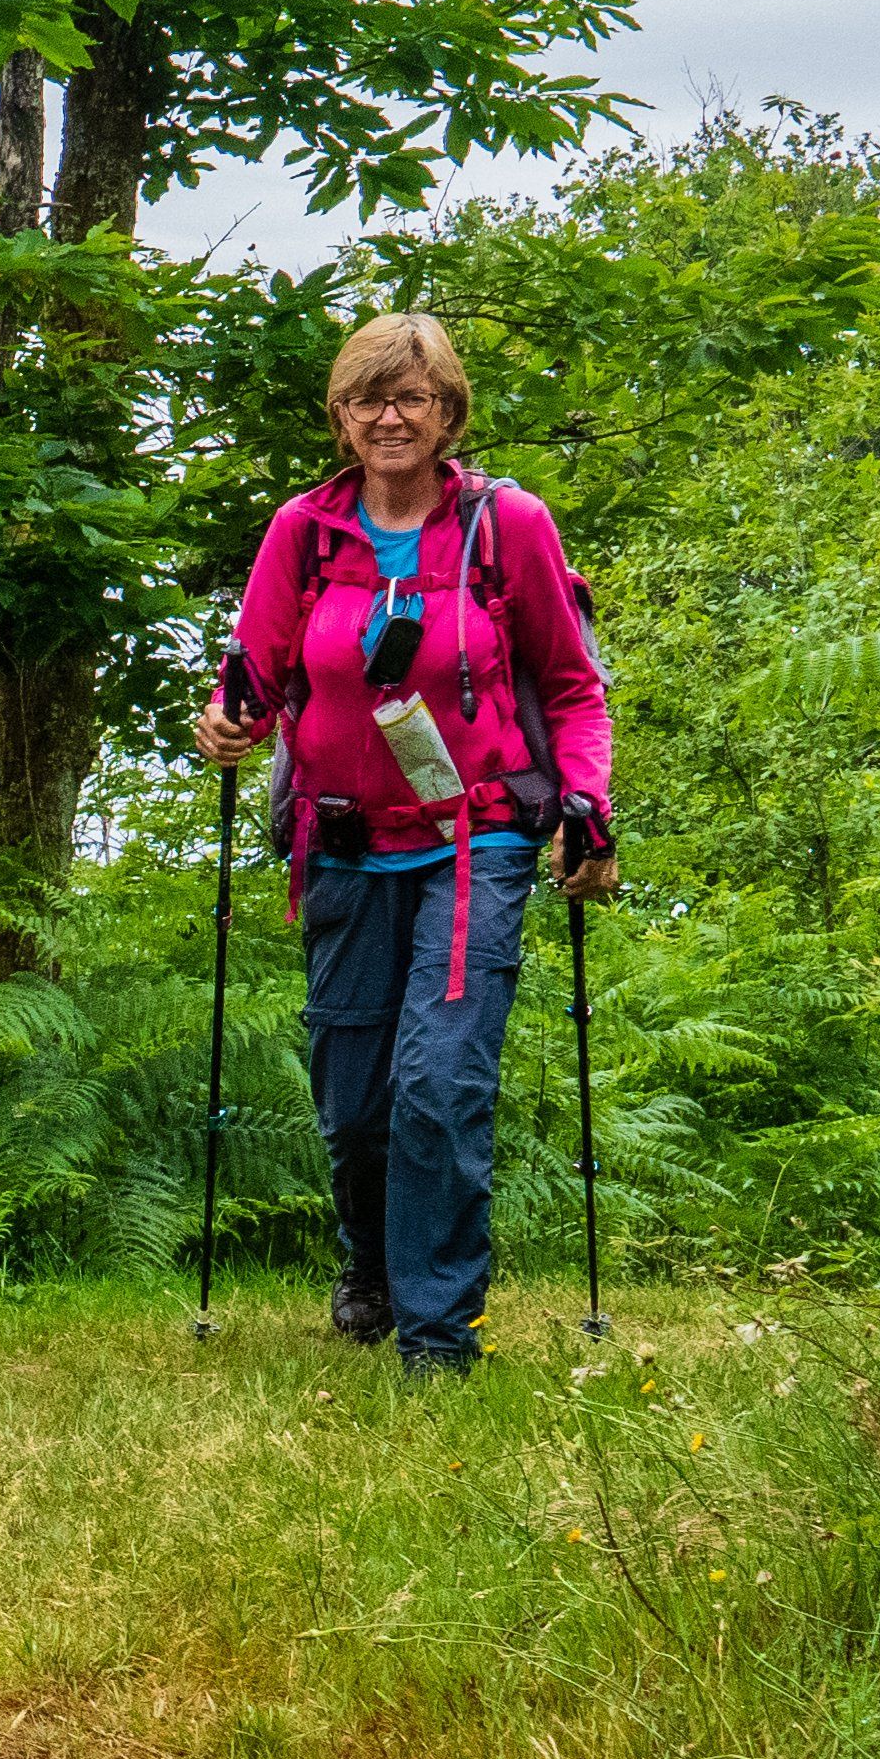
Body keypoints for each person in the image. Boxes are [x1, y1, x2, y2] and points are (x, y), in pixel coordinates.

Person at [201, 309, 610, 1379]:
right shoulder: (305, 531)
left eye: (412, 398)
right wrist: (227, 719)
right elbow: (255, 671)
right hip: (340, 844)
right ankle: (374, 1271)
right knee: (356, 1103)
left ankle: (438, 1335)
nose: (391, 416)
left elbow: (573, 688)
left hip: (476, 844)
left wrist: (587, 809)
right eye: (370, 397)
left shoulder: (505, 525)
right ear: (341, 418)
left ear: (447, 414)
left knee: (441, 1084)